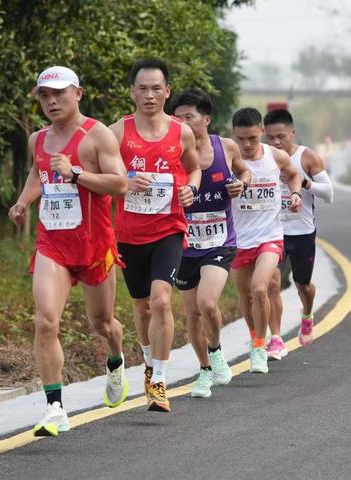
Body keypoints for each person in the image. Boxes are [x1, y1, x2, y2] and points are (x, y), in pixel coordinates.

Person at [8, 66, 129, 437]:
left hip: (94, 247)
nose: (52, 101)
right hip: (53, 244)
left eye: (59, 93)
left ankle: (115, 362)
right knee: (45, 320)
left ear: (78, 93)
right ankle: (55, 407)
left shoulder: (98, 136)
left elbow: (120, 184)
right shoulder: (38, 139)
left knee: (102, 324)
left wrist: (75, 174)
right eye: (44, 96)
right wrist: (23, 201)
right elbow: (38, 173)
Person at [109, 58, 201, 412]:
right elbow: (102, 177)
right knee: (142, 306)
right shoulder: (117, 132)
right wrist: (125, 183)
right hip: (130, 233)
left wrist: (191, 188)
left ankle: (160, 380)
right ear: (132, 91)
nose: (149, 95)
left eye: (156, 88)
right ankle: (148, 362)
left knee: (161, 299)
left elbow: (193, 169)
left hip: (170, 229)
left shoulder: (181, 132)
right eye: (142, 88)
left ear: (168, 91)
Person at [171, 88, 251, 398]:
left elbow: (245, 171)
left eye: (188, 117)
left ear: (206, 119)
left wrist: (241, 184)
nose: (181, 124)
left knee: (207, 302)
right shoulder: (171, 153)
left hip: (220, 240)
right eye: (176, 118)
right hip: (185, 243)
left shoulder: (226, 147)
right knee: (191, 314)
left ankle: (216, 353)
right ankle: (204, 370)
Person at [231, 107, 302, 374]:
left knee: (261, 288)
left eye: (251, 138)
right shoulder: (229, 159)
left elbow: (294, 174)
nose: (247, 145)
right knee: (246, 295)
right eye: (241, 139)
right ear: (233, 136)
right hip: (238, 238)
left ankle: (261, 346)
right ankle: (254, 336)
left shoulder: (275, 156)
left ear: (261, 131)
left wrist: (295, 194)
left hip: (270, 235)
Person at [264, 109, 334, 358]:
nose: (276, 142)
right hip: (273, 231)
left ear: (292, 132)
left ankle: (307, 314)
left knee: (302, 284)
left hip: (302, 231)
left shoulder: (307, 157)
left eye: (281, 136)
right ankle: (275, 338)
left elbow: (329, 193)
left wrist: (304, 182)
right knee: (272, 282)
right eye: (270, 137)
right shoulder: (263, 156)